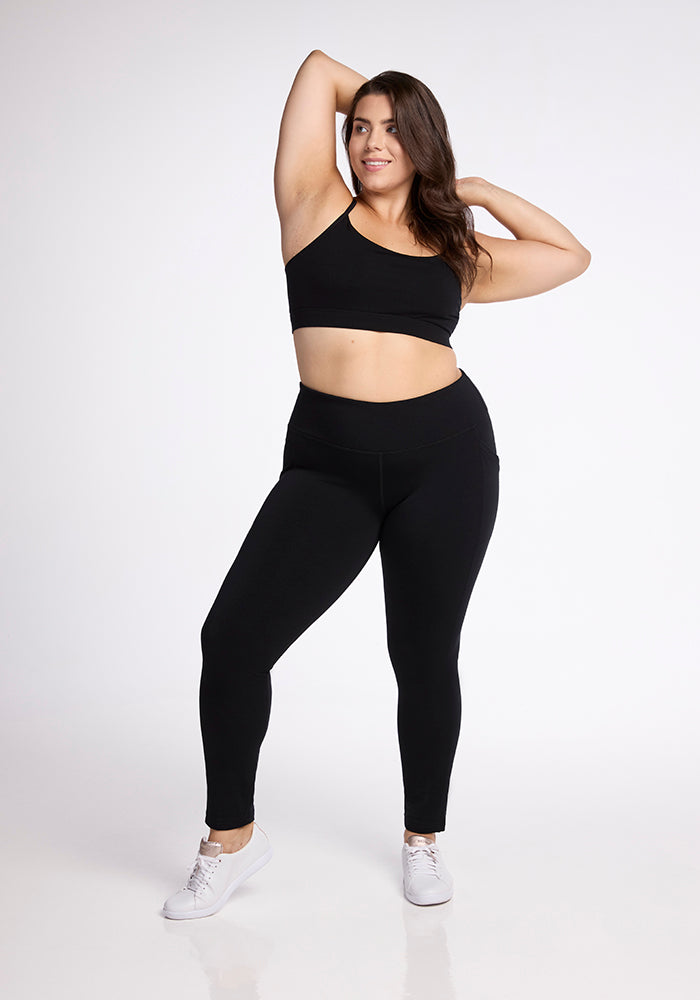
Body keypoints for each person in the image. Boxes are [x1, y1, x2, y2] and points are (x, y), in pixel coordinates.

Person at [162, 49, 591, 919]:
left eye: (393, 129)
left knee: (422, 656)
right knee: (233, 641)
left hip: (447, 460)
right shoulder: (312, 205)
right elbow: (318, 69)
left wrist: (464, 183)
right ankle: (230, 842)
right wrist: (380, 105)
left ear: (421, 140)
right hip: (329, 467)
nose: (370, 140)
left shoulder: (455, 250)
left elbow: (567, 256)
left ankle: (423, 840)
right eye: (361, 128)